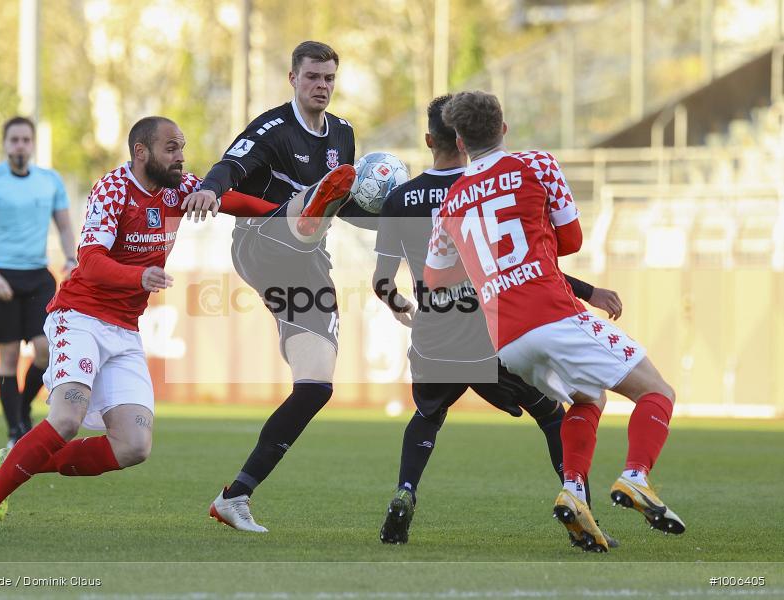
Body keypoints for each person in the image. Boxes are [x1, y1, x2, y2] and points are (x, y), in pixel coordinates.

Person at [424, 91, 685, 552]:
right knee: (657, 391)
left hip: (506, 339)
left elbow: (435, 278)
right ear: (503, 128)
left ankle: (575, 491)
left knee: (587, 399)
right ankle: (635, 477)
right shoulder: (537, 165)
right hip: (553, 314)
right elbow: (572, 239)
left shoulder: (451, 203)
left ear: (460, 141)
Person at [0, 116, 227, 531]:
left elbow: (234, 199)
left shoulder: (181, 187)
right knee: (66, 417)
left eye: (182, 147)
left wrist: (292, 210)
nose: (180, 157)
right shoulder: (113, 188)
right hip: (79, 316)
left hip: (125, 330)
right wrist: (139, 276)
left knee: (134, 446)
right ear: (141, 152)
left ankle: (14, 460)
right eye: (171, 148)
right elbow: (91, 261)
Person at [373, 95, 623, 545]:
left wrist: (408, 311)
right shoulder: (491, 186)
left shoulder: (398, 198)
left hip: (435, 333)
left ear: (431, 139)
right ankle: (580, 510)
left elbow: (382, 282)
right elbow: (520, 261)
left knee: (427, 415)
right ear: (466, 140)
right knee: (552, 416)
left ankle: (405, 490)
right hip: (495, 328)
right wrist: (588, 292)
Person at [183, 41, 374, 533]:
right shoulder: (272, 128)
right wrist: (210, 187)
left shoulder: (344, 133)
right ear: (292, 78)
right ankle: (307, 206)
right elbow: (233, 165)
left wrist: (394, 218)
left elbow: (346, 207)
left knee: (316, 387)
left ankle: (236, 495)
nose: (322, 87)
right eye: (312, 77)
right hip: (260, 243)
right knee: (308, 205)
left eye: (329, 78)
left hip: (307, 267)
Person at [0, 116, 77, 447]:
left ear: (33, 144)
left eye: (25, 140)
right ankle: (15, 429)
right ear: (5, 144)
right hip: (1, 275)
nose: (20, 145)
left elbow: (65, 227)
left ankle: (23, 406)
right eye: (14, 140)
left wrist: (71, 259)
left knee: (45, 350)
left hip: (38, 275)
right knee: (9, 356)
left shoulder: (49, 181)